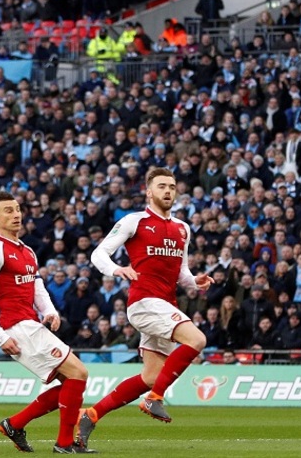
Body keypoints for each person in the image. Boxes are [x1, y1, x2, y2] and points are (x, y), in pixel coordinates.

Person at [80, 167, 213, 446]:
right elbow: (98, 253)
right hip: (143, 302)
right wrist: (117, 270)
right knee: (197, 339)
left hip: (165, 304)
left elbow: (182, 272)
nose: (168, 191)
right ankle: (154, 399)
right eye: (162, 186)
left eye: (172, 187)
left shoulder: (183, 229)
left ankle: (91, 415)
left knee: (152, 376)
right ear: (149, 191)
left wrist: (195, 281)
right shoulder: (134, 221)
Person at [0, 192, 94, 454]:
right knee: (79, 373)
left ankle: (15, 425)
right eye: (8, 211)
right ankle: (63, 444)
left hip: (31, 323)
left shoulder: (27, 250)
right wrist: (0, 337)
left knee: (70, 383)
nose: (16, 214)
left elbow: (36, 284)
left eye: (17, 209)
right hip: (17, 327)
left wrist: (50, 311)